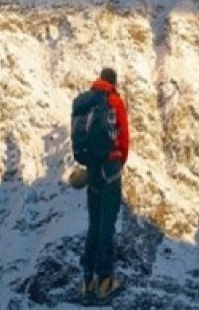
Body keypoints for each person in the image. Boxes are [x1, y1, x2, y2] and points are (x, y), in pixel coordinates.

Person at [75, 67, 129, 302]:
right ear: (113, 82)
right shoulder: (113, 101)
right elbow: (123, 137)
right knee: (107, 224)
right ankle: (105, 280)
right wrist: (119, 161)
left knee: (93, 224)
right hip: (110, 168)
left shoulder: (83, 103)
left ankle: (87, 282)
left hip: (92, 169)